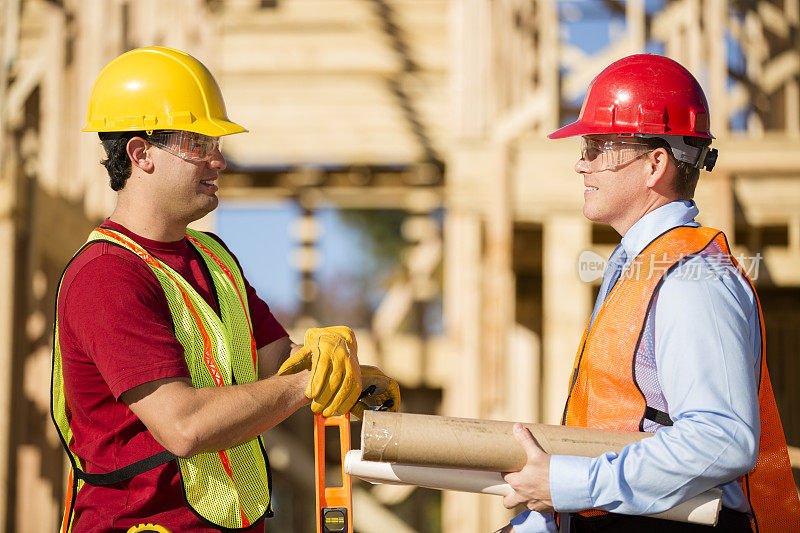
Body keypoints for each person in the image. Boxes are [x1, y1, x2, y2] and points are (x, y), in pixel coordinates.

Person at [50, 46, 400, 533]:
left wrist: (346, 373)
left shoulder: (212, 258)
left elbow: (274, 363)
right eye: (198, 144)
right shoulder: (107, 276)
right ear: (140, 153)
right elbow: (183, 426)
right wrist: (307, 383)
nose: (219, 161)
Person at [497, 54, 800, 532]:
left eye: (597, 146)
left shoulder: (692, 276)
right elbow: (619, 425)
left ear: (655, 163)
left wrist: (569, 484)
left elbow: (721, 440)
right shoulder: (640, 267)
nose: (581, 163)